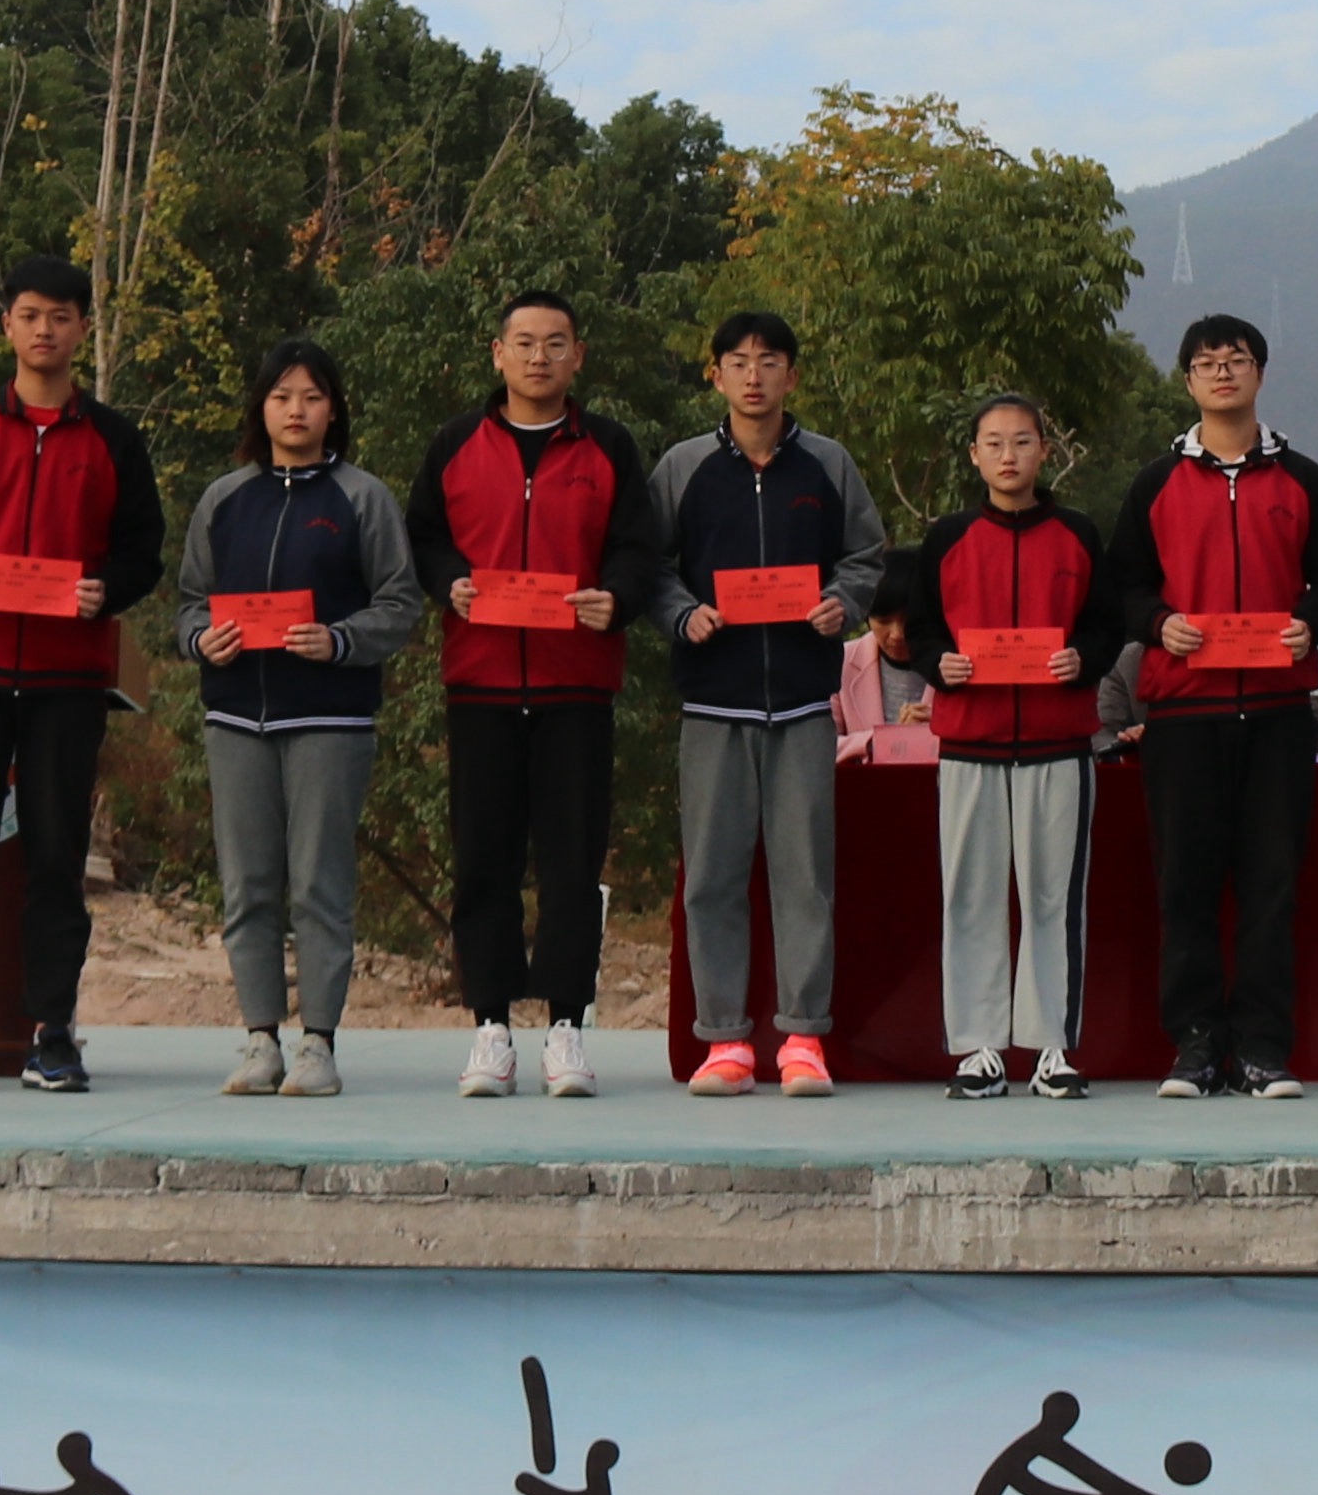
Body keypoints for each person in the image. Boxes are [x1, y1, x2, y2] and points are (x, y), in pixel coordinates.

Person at [0, 258, 168, 1097]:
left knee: (57, 858)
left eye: (60, 315)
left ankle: (53, 1034)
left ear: (83, 327)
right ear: (6, 326)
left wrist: (106, 589)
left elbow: (143, 552)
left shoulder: (114, 440)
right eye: (28, 314)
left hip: (66, 679)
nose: (43, 329)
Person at [414, 288, 665, 1097]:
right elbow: (425, 536)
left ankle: (566, 1027)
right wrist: (449, 581)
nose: (538, 357)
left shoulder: (609, 446)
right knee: (483, 859)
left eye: (556, 343)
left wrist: (615, 598)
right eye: (523, 342)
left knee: (571, 863)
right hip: (481, 682)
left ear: (578, 356)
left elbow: (639, 548)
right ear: (498, 354)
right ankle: (490, 1027)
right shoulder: (456, 443)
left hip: (576, 685)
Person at [1101, 311, 1318, 1096]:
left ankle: (1264, 1048)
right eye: (1207, 363)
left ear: (1259, 374)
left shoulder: (1302, 479)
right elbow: (1122, 584)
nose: (1223, 372)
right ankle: (1197, 1045)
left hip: (1278, 715)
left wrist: (1309, 624)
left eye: (1236, 359)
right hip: (1183, 715)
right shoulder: (1156, 481)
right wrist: (1156, 623)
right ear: (1188, 381)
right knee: (1187, 887)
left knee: (1272, 888)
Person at [653, 311, 888, 1095]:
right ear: (715, 374)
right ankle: (725, 1041)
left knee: (804, 876)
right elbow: (650, 565)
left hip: (801, 704)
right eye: (738, 361)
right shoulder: (684, 466)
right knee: (713, 877)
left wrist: (841, 601)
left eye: (769, 361)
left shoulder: (828, 463)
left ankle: (803, 1037)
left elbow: (866, 553)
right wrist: (682, 614)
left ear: (792, 374)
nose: (753, 376)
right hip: (713, 704)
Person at [178, 337, 420, 1095]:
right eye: (282, 397)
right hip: (235, 721)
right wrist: (200, 640)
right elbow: (189, 602)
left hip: (329, 721)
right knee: (247, 885)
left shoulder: (362, 498)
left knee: (319, 883)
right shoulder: (224, 499)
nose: (296, 411)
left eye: (312, 397)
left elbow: (400, 603)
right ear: (261, 407)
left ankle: (318, 1044)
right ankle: (260, 1040)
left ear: (333, 410)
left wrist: (339, 640)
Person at [893, 392, 1102, 1096]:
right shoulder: (948, 538)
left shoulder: (1077, 533)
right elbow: (921, 629)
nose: (1008, 455)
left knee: (1054, 898)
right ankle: (978, 1048)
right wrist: (938, 664)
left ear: (1045, 451)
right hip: (970, 744)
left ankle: (1052, 1048)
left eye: (1022, 442)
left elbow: (1105, 625)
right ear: (974, 456)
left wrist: (1083, 659)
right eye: (994, 443)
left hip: (1058, 742)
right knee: (971, 896)